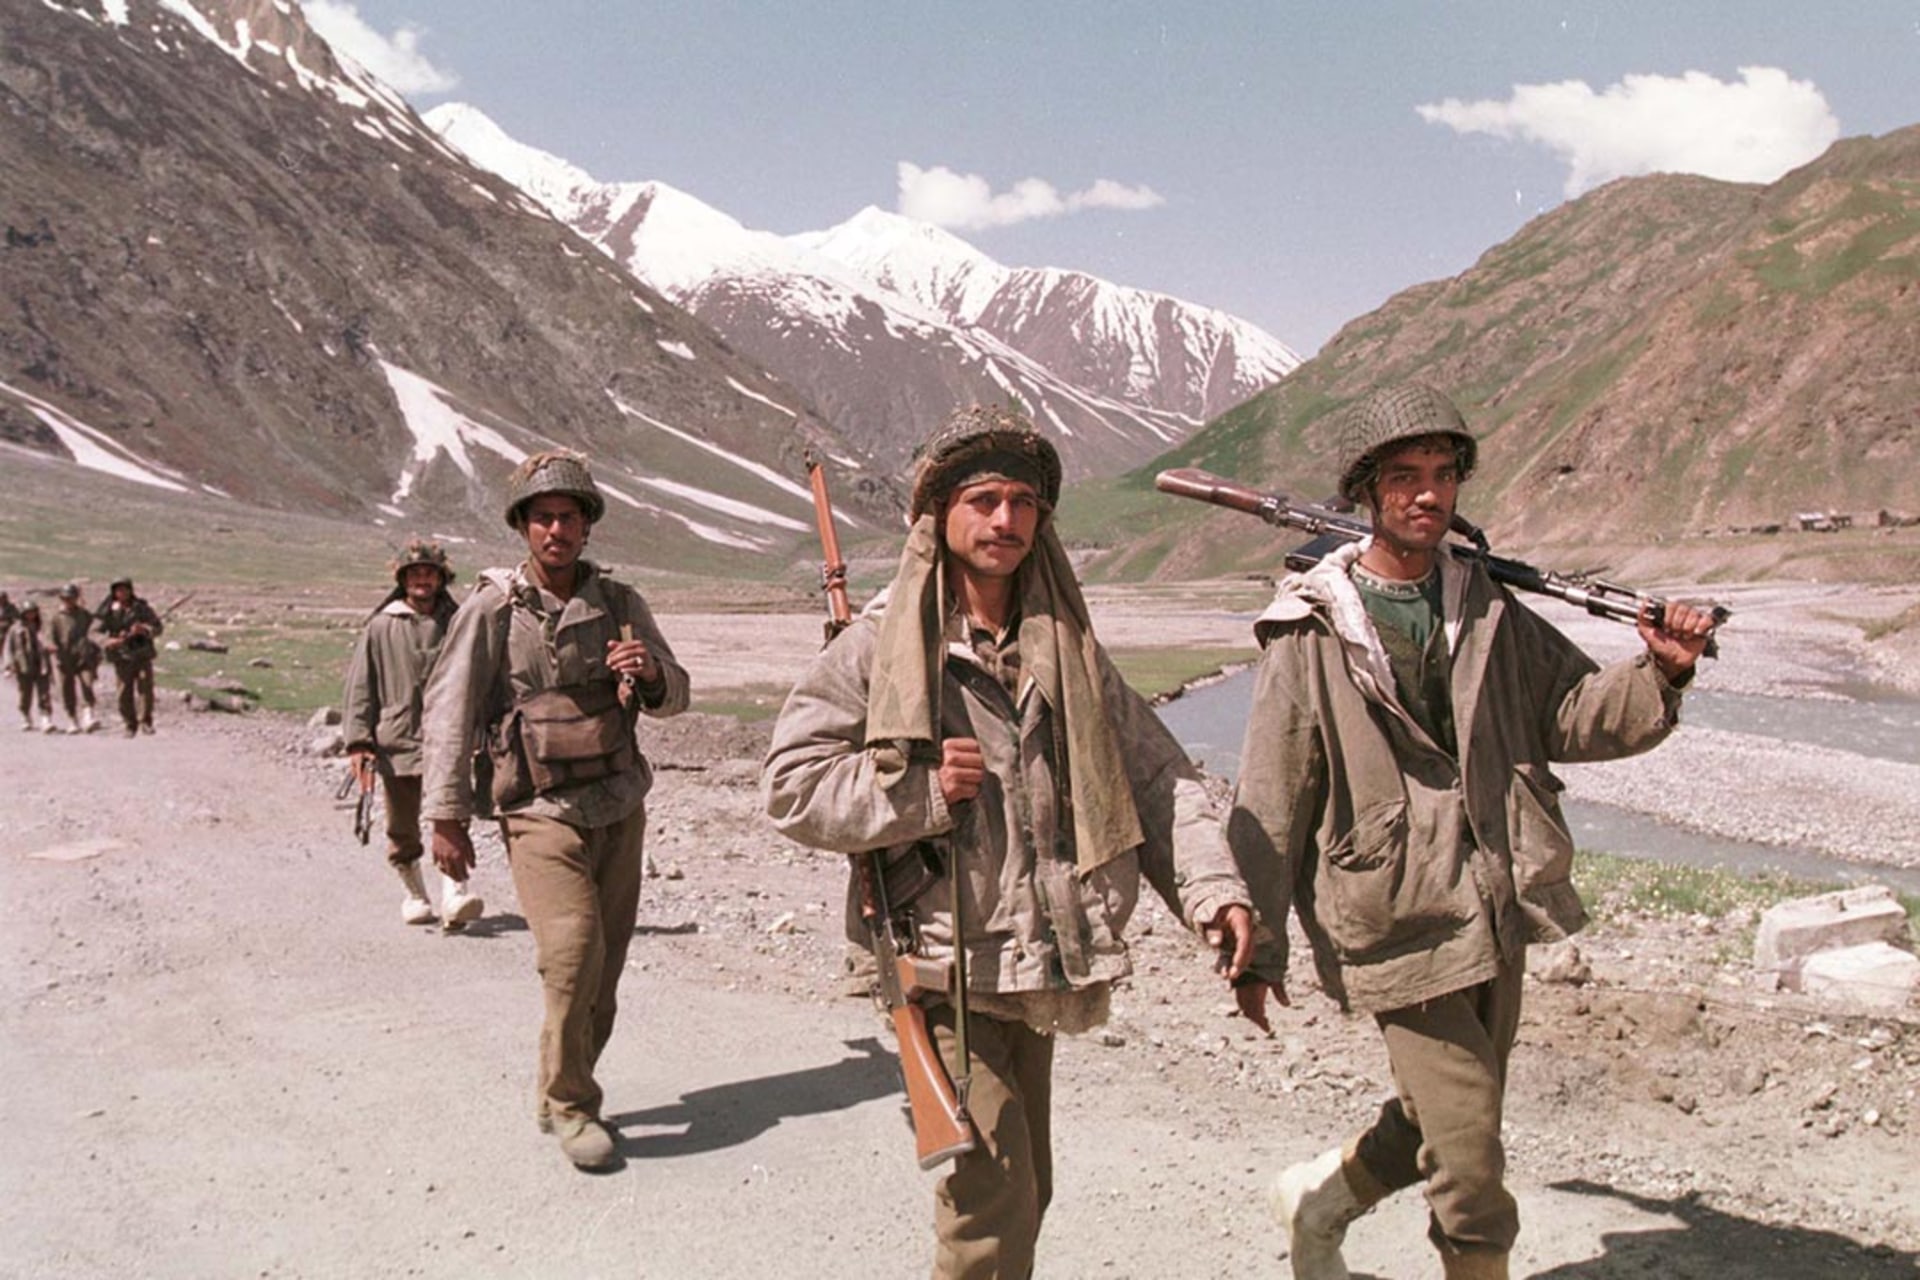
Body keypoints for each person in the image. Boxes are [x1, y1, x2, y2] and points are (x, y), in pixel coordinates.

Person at [1224, 383, 1717, 1280]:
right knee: (1473, 1171)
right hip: (1392, 914)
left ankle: (1319, 1199)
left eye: (1443, 475)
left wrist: (1661, 671)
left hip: (1497, 893)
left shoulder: (1485, 605)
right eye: (1405, 477)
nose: (1427, 494)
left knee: (1453, 1110)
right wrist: (1256, 946)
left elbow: (1568, 712)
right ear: (1366, 495)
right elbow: (1273, 790)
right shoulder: (1311, 628)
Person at [763, 405, 1259, 1278]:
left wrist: (1214, 892)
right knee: (990, 1204)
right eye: (984, 498)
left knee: (1027, 1192)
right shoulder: (883, 645)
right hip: (941, 961)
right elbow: (792, 786)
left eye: (1024, 501)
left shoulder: (1064, 648)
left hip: (1042, 956)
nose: (1006, 519)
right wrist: (918, 793)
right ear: (940, 516)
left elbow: (1157, 778)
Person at [421, 449, 689, 1171]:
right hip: (537, 807)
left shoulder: (622, 604)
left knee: (604, 969)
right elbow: (448, 712)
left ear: (587, 526)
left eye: (569, 517)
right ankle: (574, 1104)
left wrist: (652, 674)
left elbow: (678, 693)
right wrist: (444, 818)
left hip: (618, 801)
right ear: (523, 527)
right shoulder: (491, 609)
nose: (556, 530)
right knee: (571, 954)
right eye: (542, 518)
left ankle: (555, 1079)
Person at [342, 540, 481, 930]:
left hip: (449, 739)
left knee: (452, 812)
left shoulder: (458, 622)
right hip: (397, 740)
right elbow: (360, 687)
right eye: (415, 573)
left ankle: (456, 892)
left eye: (430, 572)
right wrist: (358, 741)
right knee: (402, 824)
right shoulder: (381, 626)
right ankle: (416, 894)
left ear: (441, 578)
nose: (423, 579)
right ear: (403, 579)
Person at [94, 577, 164, 736]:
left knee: (145, 688)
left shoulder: (141, 608)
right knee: (124, 691)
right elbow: (94, 632)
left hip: (142, 654)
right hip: (121, 656)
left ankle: (145, 721)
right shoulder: (108, 610)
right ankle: (129, 724)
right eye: (118, 590)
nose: (122, 593)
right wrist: (108, 641)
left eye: (125, 589)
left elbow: (157, 627)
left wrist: (144, 630)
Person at [49, 583, 102, 735]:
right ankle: (72, 719)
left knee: (87, 683)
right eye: (66, 598)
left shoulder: (84, 614)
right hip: (64, 658)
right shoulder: (56, 617)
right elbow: (49, 636)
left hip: (83, 656)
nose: (69, 601)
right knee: (67, 689)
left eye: (72, 598)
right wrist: (52, 646)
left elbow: (94, 628)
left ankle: (88, 715)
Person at [5, 600, 56, 733]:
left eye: (33, 612)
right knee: (25, 694)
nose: (31, 615)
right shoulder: (15, 629)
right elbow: (8, 648)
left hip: (41, 664)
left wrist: (50, 647)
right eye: (28, 613)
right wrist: (8, 665)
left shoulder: (42, 628)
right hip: (23, 666)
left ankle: (45, 718)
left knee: (44, 693)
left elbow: (49, 640)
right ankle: (25, 716)